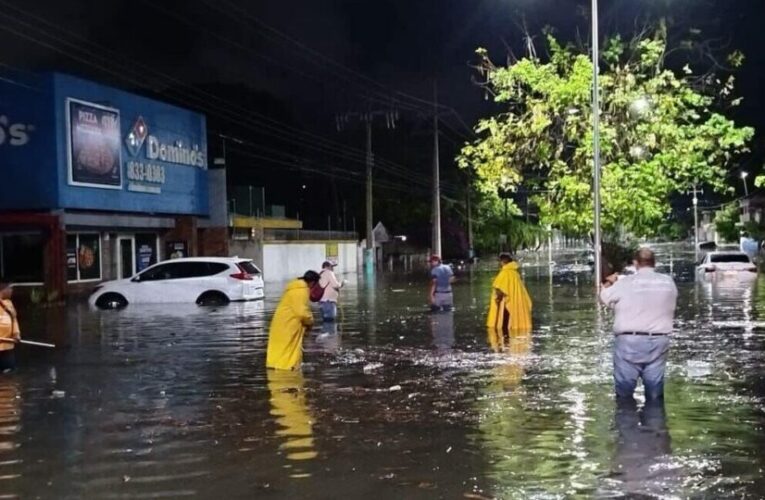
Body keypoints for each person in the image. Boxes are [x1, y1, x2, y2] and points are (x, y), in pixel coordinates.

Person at [600, 247, 678, 401]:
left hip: (629, 343)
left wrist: (609, 283)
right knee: (655, 395)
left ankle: (626, 421)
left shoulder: (626, 283)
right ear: (654, 263)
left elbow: (604, 298)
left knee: (624, 396)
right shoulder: (668, 283)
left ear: (635, 263)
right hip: (659, 342)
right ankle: (655, 422)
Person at [266, 271, 320, 371]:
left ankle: (275, 367)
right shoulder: (302, 291)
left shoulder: (293, 289)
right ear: (312, 283)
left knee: (278, 350)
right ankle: (288, 371)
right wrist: (311, 321)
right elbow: (301, 312)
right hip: (289, 327)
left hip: (280, 324)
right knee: (290, 352)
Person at [486, 253, 533, 332]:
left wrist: (497, 299)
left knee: (505, 328)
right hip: (516, 304)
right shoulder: (515, 274)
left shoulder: (504, 273)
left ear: (502, 262)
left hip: (506, 306)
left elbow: (500, 290)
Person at [0, 283, 21, 373]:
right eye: (9, 289)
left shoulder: (9, 303)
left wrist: (16, 334)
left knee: (9, 370)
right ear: (3, 290)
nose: (11, 291)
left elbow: (14, 320)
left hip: (8, 344)